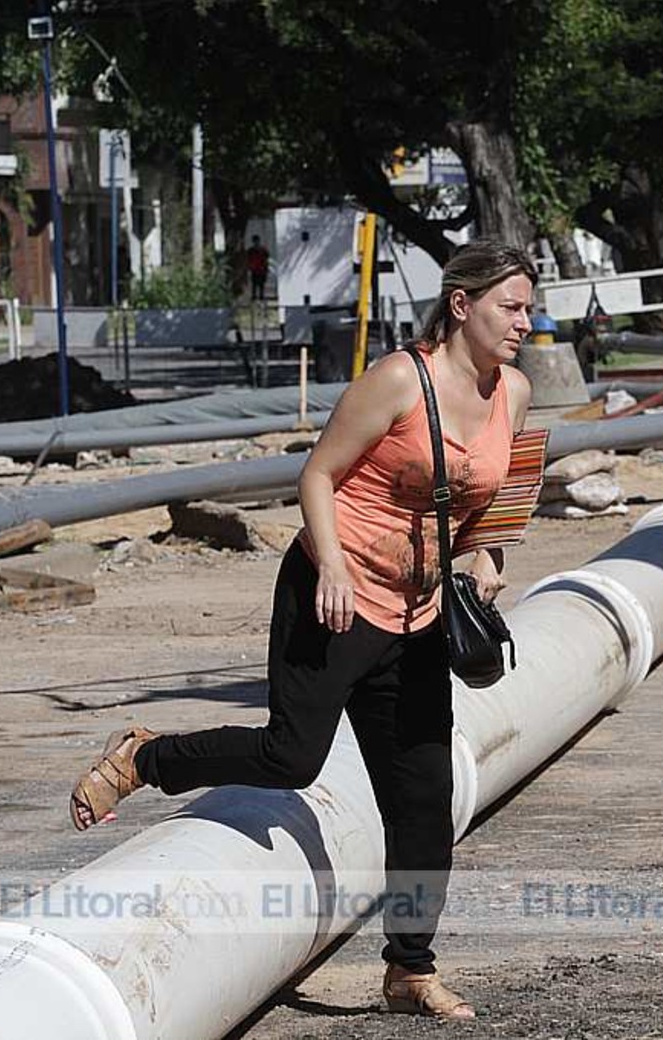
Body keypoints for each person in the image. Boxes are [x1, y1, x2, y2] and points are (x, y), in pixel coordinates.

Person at [68, 238, 536, 1021]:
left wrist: (487, 556)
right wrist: (332, 567)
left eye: (528, 306)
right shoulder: (397, 378)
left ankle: (409, 970)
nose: (524, 320)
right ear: (462, 305)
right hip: (335, 594)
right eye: (510, 306)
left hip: (420, 612)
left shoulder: (512, 391)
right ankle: (144, 758)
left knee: (423, 798)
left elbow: (504, 489)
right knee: (292, 756)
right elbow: (316, 474)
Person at [247, 235, 271, 301]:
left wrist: (266, 268)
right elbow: (249, 260)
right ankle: (254, 297)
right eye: (255, 241)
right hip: (255, 270)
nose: (256, 243)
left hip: (261, 270)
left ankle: (261, 297)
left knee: (261, 285)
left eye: (257, 241)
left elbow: (266, 259)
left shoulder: (263, 250)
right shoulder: (251, 251)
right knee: (254, 285)